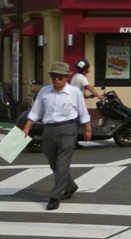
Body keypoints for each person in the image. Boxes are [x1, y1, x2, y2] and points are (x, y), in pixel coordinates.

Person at [22, 62, 91, 210]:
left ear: (66, 78)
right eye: (54, 76)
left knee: (62, 163)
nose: (57, 80)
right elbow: (36, 111)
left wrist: (87, 129)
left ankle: (55, 196)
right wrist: (27, 127)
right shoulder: (44, 92)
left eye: (60, 77)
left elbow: (83, 111)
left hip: (68, 129)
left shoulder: (74, 92)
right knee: (54, 163)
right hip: (49, 130)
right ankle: (71, 185)